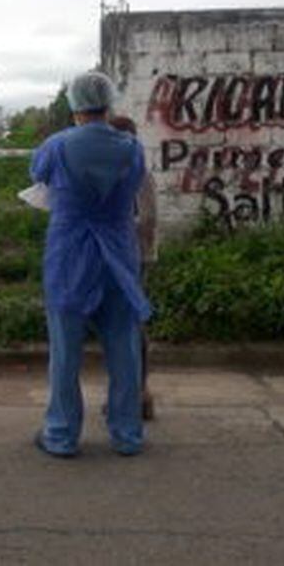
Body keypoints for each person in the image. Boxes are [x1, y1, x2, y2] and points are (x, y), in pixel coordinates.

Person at [32, 71, 152, 458]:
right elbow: (135, 187)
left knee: (66, 351)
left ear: (75, 106)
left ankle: (62, 435)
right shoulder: (132, 148)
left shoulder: (56, 145)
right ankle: (127, 434)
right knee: (124, 347)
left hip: (69, 253)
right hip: (118, 251)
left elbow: (39, 178)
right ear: (108, 103)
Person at [109, 115, 158, 421]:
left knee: (132, 326)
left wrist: (114, 230)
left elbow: (148, 219)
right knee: (120, 324)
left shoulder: (138, 172)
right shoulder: (122, 169)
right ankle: (127, 393)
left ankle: (139, 392)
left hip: (135, 256)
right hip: (122, 255)